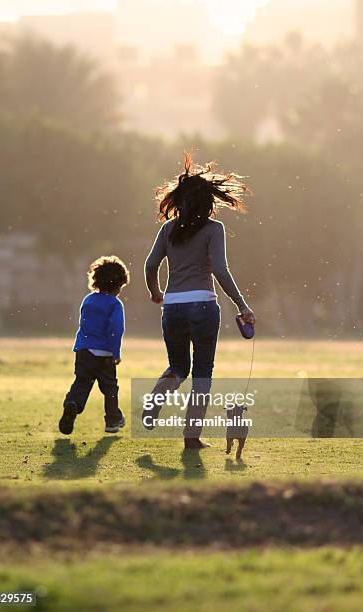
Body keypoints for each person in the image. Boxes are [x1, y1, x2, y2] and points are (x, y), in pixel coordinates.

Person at [144, 152, 256, 450]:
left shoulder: (167, 229)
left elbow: (150, 265)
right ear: (208, 202)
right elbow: (220, 269)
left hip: (173, 307)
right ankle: (191, 438)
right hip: (204, 306)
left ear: (179, 201)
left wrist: (156, 293)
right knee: (202, 375)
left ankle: (156, 398)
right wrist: (241, 305)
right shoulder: (213, 229)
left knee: (179, 366)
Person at [59, 255, 129, 435]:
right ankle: (113, 420)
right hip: (104, 354)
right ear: (119, 285)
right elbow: (115, 329)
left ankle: (72, 404)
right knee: (110, 389)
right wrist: (115, 352)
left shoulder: (88, 300)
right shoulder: (115, 304)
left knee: (82, 382)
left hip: (84, 351)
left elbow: (84, 323)